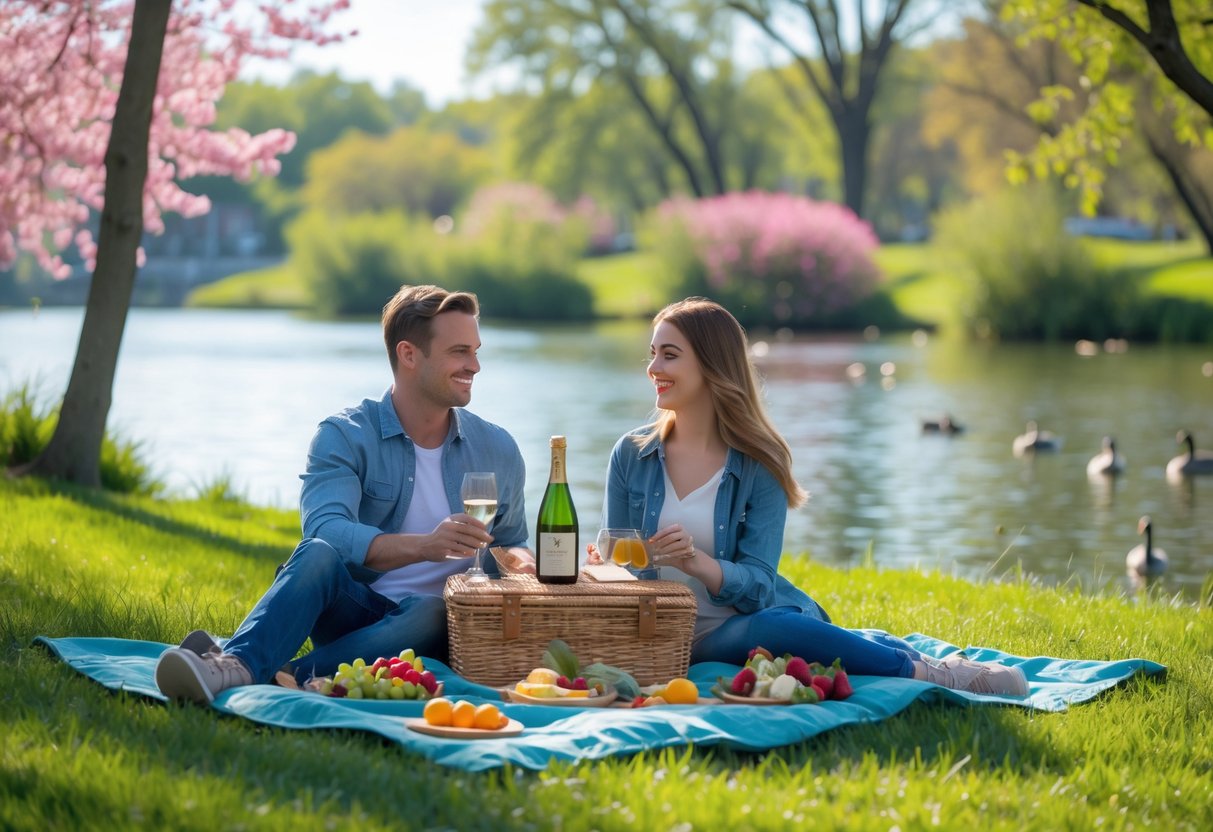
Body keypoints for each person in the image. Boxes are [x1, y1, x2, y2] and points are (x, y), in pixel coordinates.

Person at [595, 297, 1028, 696]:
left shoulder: (757, 463)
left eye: (669, 355)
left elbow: (759, 587)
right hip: (660, 633)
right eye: (652, 353)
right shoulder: (631, 456)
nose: (653, 367)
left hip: (731, 627)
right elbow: (614, 555)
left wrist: (698, 565)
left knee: (772, 627)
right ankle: (887, 648)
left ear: (712, 365)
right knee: (784, 629)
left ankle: (931, 674)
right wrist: (608, 559)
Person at [156, 285, 533, 703]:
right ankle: (242, 664)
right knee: (315, 552)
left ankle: (250, 670)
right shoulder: (345, 435)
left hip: (443, 624)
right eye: (460, 351)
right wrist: (424, 547)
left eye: (476, 351)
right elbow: (327, 531)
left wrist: (530, 564)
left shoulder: (498, 448)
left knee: (432, 609)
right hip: (353, 613)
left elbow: (513, 542)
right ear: (409, 355)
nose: (475, 365)